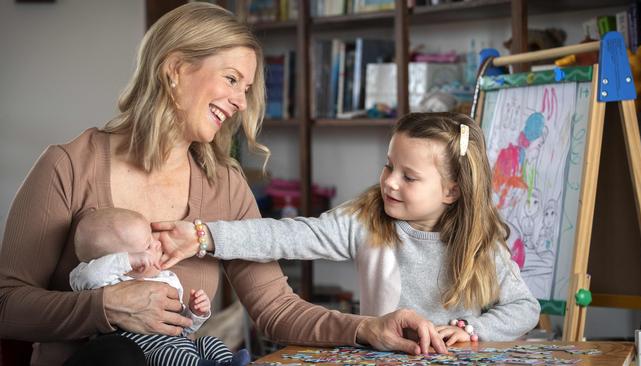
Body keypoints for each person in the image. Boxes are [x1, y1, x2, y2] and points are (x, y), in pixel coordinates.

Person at [0, 4, 446, 366]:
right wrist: (103, 307)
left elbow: (275, 308)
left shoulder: (224, 184)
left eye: (246, 88)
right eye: (231, 79)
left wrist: (366, 327)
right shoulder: (69, 166)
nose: (239, 101)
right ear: (174, 69)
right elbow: (6, 305)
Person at [155, 112, 541, 346]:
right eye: (390, 166)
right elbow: (289, 235)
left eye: (410, 177)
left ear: (452, 190)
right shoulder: (366, 220)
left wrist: (472, 329)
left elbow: (525, 309)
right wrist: (204, 235)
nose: (389, 182)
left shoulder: (480, 245)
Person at [70, 207, 250, 366]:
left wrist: (195, 314)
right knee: (167, 355)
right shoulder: (104, 281)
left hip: (184, 345)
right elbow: (86, 276)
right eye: (148, 245)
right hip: (149, 354)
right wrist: (128, 261)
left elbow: (182, 327)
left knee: (209, 342)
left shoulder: (166, 279)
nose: (157, 244)